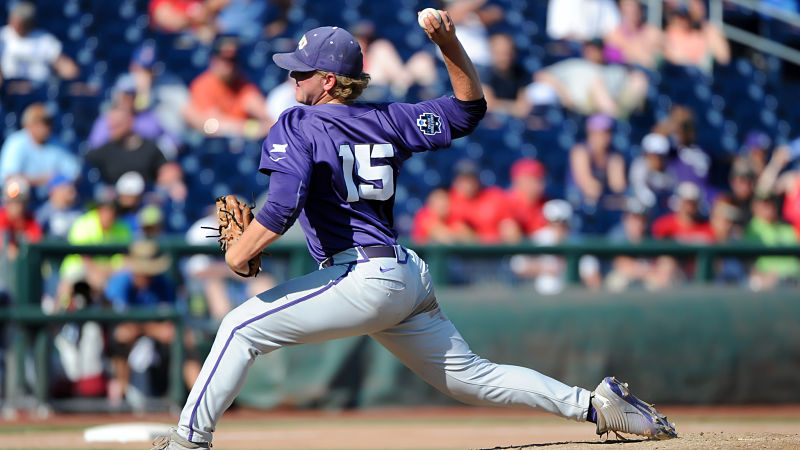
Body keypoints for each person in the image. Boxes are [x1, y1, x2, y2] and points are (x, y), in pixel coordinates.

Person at [152, 17, 675, 449]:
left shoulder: (297, 124)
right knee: (473, 378)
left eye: (302, 72)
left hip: (358, 275)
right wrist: (449, 43)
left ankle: (186, 443)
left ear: (328, 82)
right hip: (403, 274)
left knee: (239, 328)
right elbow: (470, 109)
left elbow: (283, 208)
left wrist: (238, 254)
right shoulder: (388, 119)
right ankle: (595, 403)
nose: (293, 81)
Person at [530, 39, 648, 117]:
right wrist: (564, 94)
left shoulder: (613, 69)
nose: (595, 52)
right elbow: (541, 75)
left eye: (598, 49)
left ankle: (623, 115)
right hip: (583, 104)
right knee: (597, 83)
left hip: (615, 100)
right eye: (591, 49)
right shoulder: (575, 65)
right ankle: (617, 117)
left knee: (639, 78)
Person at [183, 37, 270, 138]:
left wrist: (272, 122)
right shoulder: (203, 85)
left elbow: (258, 106)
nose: (228, 66)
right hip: (215, 142)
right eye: (223, 60)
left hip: (242, 140)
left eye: (232, 61)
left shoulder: (242, 83)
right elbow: (213, 124)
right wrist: (253, 128)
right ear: (213, 61)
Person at [0, 103, 81, 199]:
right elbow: (10, 178)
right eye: (41, 123)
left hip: (50, 202)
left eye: (48, 122)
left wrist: (58, 183)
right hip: (22, 201)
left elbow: (75, 174)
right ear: (29, 125)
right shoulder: (16, 143)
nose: (46, 127)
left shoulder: (57, 144)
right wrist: (45, 179)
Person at [567, 114, 627, 235]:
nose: (605, 137)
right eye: (600, 132)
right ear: (590, 133)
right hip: (579, 207)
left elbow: (618, 186)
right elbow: (589, 187)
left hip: (603, 206)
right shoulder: (580, 151)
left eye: (608, 132)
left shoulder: (614, 155)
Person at [0, 1, 79, 86]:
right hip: (10, 88)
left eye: (20, 23)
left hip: (38, 89)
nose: (16, 25)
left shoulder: (45, 40)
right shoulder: (3, 37)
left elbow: (64, 65)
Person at [85, 105, 168, 185]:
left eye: (117, 125)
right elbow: (87, 167)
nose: (112, 130)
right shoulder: (104, 151)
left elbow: (166, 170)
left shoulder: (149, 148)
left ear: (130, 121)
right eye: (110, 126)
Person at [744, 192, 800, 290]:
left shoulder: (787, 228)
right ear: (755, 207)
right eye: (764, 204)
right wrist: (761, 277)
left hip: (794, 280)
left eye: (771, 203)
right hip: (768, 283)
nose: (769, 207)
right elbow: (747, 262)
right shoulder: (752, 230)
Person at [663, 0, 730, 73]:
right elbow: (677, 62)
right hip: (681, 78)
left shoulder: (709, 31)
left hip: (704, 78)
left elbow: (724, 60)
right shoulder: (670, 34)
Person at [629, 133, 677, 219]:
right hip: (641, 210)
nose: (657, 159)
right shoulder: (639, 166)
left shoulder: (670, 171)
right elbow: (643, 194)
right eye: (654, 155)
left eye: (661, 156)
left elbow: (672, 196)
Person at [603, 0, 663, 69]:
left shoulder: (651, 31)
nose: (633, 10)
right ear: (621, 9)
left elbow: (669, 48)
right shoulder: (614, 34)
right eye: (628, 6)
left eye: (635, 6)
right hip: (627, 72)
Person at [505, 158, 548, 238]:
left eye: (539, 179)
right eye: (530, 180)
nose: (536, 184)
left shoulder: (547, 203)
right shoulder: (506, 203)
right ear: (517, 182)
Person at [546, 0, 620, 43]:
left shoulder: (606, 2)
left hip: (601, 54)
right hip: (572, 55)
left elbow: (615, 31)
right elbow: (558, 34)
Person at [34, 175, 82, 240]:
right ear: (55, 191)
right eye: (66, 188)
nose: (72, 191)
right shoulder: (44, 213)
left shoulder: (79, 211)